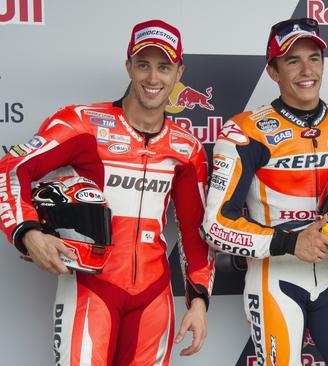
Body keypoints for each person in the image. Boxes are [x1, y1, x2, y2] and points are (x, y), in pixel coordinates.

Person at [0, 20, 215, 365]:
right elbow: (11, 168)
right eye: (143, 65)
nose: (152, 78)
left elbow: (194, 231)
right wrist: (28, 233)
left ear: (179, 73)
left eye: (164, 67)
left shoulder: (187, 148)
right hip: (91, 289)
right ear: (128, 65)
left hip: (153, 297)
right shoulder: (82, 123)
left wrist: (199, 301)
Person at [202, 17, 328, 366]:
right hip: (274, 280)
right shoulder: (245, 131)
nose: (306, 69)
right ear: (273, 71)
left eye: (314, 58)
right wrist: (291, 242)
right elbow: (215, 225)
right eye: (292, 60)